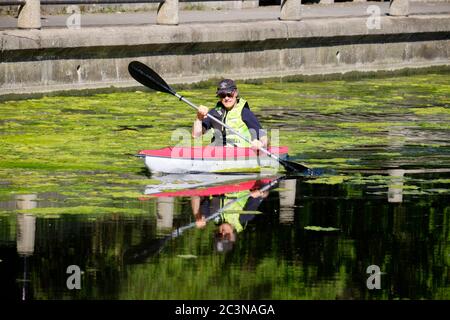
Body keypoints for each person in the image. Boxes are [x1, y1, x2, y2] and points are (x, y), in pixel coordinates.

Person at [192, 79, 268, 150]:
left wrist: (261, 144)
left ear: (235, 93)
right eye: (222, 95)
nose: (226, 98)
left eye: (229, 94)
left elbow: (264, 137)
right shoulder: (214, 113)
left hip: (241, 154)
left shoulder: (245, 113)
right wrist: (199, 118)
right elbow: (196, 135)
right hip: (218, 153)